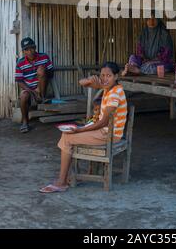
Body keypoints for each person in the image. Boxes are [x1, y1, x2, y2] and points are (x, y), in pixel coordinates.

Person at [39, 61, 127, 193]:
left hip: (109, 135)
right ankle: (69, 178)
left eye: (108, 76)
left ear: (116, 76)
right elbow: (81, 82)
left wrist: (80, 130)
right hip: (106, 132)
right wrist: (91, 80)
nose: (105, 78)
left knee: (67, 138)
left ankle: (62, 182)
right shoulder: (110, 88)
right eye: (102, 75)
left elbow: (103, 122)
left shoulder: (115, 93)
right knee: (68, 136)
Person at [15, 37, 54, 133]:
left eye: (32, 48)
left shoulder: (44, 57)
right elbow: (19, 81)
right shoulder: (20, 63)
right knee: (23, 96)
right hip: (30, 90)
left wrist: (43, 72)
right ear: (24, 52)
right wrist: (32, 91)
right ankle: (25, 122)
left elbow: (51, 73)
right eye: (27, 49)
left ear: (35, 47)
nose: (30, 51)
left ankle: (42, 97)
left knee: (41, 69)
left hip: (42, 89)